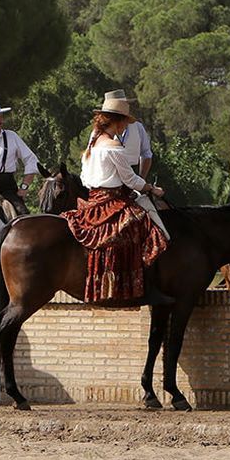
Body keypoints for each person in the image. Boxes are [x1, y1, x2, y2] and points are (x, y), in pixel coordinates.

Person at [64, 97, 170, 305]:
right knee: (145, 226)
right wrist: (152, 189)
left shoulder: (94, 144)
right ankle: (137, 286)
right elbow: (130, 179)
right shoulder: (113, 145)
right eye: (124, 122)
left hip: (93, 199)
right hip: (111, 201)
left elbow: (85, 178)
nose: (126, 127)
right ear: (117, 121)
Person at [103, 90, 153, 177]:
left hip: (133, 174)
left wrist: (141, 178)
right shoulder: (99, 132)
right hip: (108, 178)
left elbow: (146, 154)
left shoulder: (138, 127)